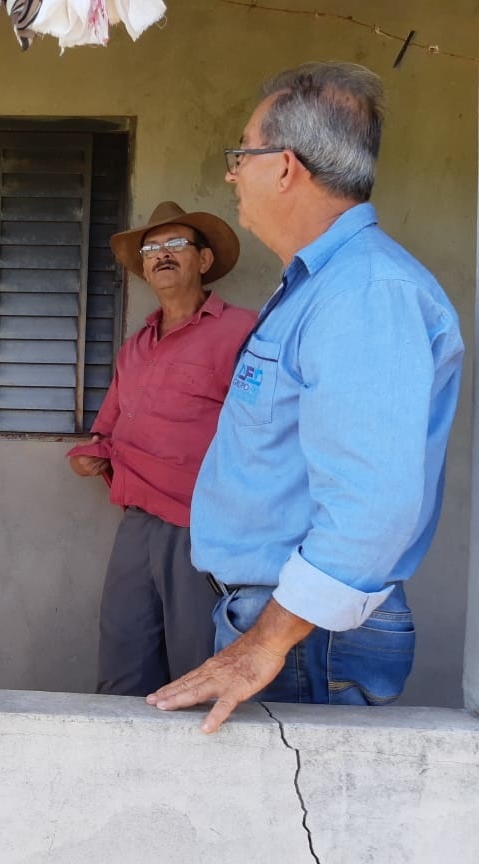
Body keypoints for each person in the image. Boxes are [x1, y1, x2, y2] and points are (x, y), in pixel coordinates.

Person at [147, 62, 464, 733]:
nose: (232, 175)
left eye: (241, 154)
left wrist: (265, 643)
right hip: (285, 624)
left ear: (285, 166)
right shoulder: (321, 286)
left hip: (306, 637)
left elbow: (371, 507)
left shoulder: (365, 294)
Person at [67, 202, 256, 696]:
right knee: (123, 657)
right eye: (151, 249)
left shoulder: (244, 332)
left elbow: (267, 429)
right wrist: (92, 455)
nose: (161, 255)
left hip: (202, 523)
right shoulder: (136, 347)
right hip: (137, 522)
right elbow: (107, 430)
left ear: (204, 260)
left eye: (176, 244)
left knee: (199, 663)